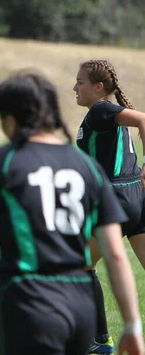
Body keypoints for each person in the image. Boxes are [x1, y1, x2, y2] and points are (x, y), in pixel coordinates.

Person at [0, 71, 144, 355]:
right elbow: (115, 255)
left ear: (10, 117)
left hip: (29, 299)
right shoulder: (85, 166)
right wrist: (131, 324)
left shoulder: (2, 161)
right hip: (80, 303)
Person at [74, 59, 145, 354]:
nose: (74, 87)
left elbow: (144, 119)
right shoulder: (106, 114)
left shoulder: (101, 110)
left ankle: (99, 341)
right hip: (136, 200)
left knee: (81, 266)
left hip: (114, 200)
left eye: (80, 82)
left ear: (98, 87)